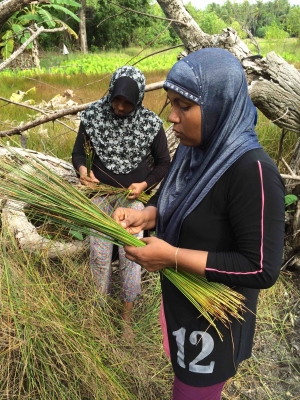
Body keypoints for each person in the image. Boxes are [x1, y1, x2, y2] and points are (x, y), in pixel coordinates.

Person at [112, 48, 285, 399]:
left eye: (184, 106)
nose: (172, 118)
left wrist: (172, 257)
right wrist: (147, 214)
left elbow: (262, 268)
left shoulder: (252, 171)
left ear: (220, 104)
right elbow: (180, 200)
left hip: (213, 325)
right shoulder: (195, 150)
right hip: (182, 304)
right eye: (171, 103)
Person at [71, 66, 170, 336]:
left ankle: (126, 316)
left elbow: (164, 163)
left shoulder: (150, 123)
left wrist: (144, 184)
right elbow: (78, 154)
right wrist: (83, 172)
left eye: (128, 102)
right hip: (101, 195)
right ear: (111, 92)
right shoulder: (93, 116)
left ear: (138, 100)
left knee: (132, 255)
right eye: (117, 99)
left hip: (133, 200)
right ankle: (99, 312)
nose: (120, 106)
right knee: (100, 254)